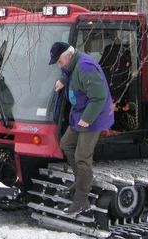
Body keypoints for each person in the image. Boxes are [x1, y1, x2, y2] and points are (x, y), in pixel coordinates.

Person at [49, 42, 114, 215]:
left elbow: (99, 97)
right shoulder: (72, 63)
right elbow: (68, 72)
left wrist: (87, 119)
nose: (58, 64)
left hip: (93, 117)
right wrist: (63, 80)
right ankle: (80, 181)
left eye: (59, 61)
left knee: (82, 157)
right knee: (66, 144)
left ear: (67, 56)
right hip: (80, 114)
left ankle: (82, 199)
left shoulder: (86, 68)